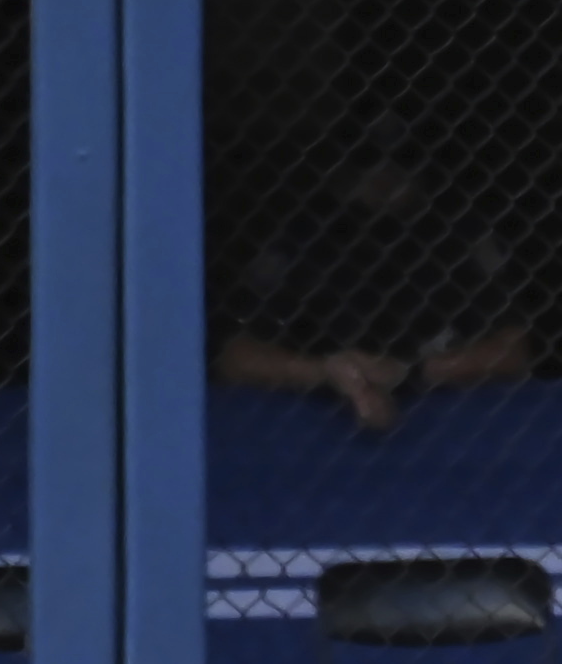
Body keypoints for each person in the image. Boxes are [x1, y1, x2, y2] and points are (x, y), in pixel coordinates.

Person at [212, 112, 531, 433]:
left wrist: (411, 373)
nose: (385, 178)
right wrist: (325, 373)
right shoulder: (305, 239)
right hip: (310, 429)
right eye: (369, 164)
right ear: (342, 172)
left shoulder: (457, 236)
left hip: (450, 428)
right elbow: (235, 356)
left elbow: (513, 351)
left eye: (401, 164)